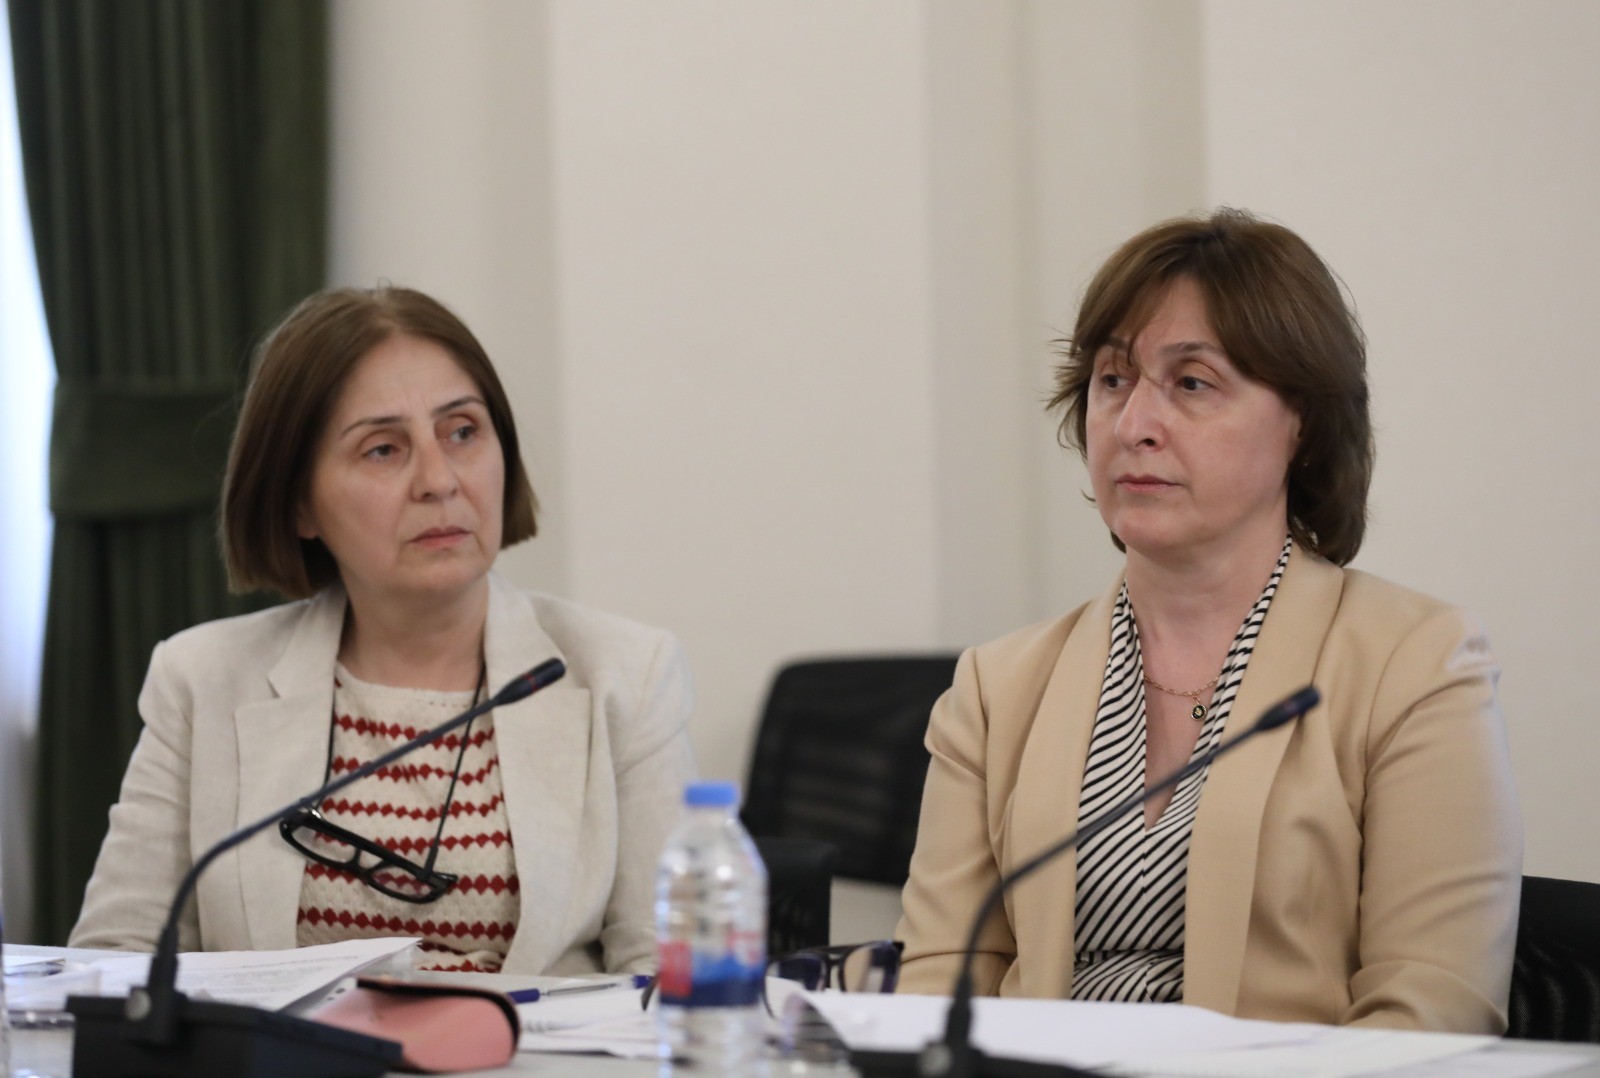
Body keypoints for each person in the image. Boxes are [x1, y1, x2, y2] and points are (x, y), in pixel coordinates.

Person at [894, 209, 1522, 1032]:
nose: (1134, 426)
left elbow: (1431, 1013)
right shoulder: (997, 688)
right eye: (1113, 380)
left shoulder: (1415, 662)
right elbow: (937, 986)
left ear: (1301, 423)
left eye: (1191, 383)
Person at [70, 286, 696, 975]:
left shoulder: (625, 674)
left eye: (463, 432)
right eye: (382, 449)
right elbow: (113, 962)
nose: (438, 480)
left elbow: (676, 974)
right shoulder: (201, 681)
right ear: (300, 504)